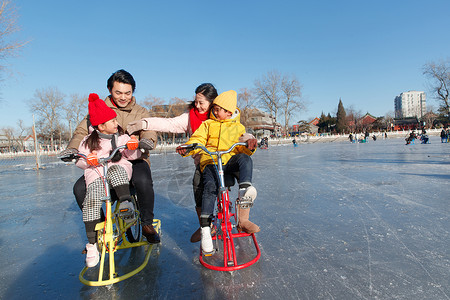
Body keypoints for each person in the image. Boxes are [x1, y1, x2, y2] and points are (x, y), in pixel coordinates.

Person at [59, 69, 160, 244]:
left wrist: (147, 142)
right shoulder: (98, 110)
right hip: (103, 162)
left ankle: (146, 224)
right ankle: (100, 228)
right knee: (80, 189)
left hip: (133, 158)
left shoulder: (140, 111)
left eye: (128, 93)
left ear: (133, 92)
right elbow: (81, 132)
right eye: (118, 92)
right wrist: (73, 149)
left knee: (143, 180)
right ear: (109, 90)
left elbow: (149, 130)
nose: (123, 97)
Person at [127, 83, 218, 243]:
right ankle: (206, 226)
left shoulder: (220, 114)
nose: (197, 106)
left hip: (221, 159)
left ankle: (242, 219)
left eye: (201, 103)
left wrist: (248, 138)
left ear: (212, 102)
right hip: (202, 162)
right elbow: (168, 123)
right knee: (198, 187)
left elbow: (236, 128)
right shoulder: (190, 117)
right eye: (196, 101)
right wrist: (144, 123)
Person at [176, 90, 259, 254]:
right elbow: (198, 139)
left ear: (228, 112)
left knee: (245, 159)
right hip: (212, 161)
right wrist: (189, 147)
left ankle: (245, 192)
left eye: (218, 109)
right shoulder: (207, 125)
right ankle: (206, 229)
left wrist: (249, 144)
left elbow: (243, 140)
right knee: (209, 187)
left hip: (229, 160)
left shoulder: (237, 126)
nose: (214, 111)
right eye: (214, 108)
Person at [75, 93, 143, 267]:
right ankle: (91, 244)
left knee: (115, 168)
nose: (116, 123)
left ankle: (126, 202)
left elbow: (132, 155)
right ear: (101, 125)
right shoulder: (87, 141)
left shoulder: (121, 137)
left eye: (115, 120)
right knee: (90, 201)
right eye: (112, 121)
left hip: (118, 171)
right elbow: (80, 160)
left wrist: (134, 146)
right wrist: (88, 159)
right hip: (97, 176)